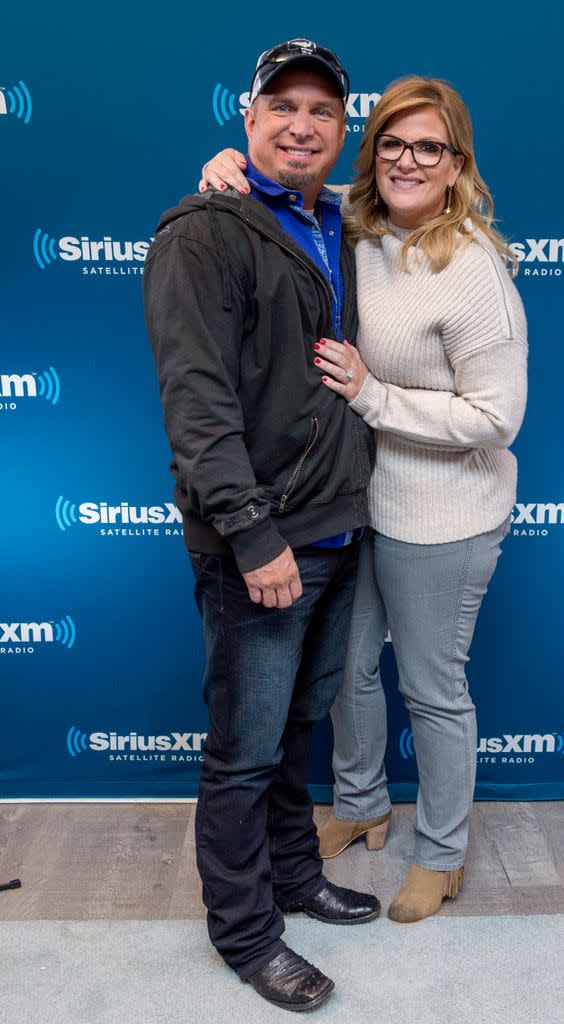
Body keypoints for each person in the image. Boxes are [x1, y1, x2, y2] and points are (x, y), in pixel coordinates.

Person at [199, 74, 528, 923]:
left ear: (456, 165)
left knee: (430, 685)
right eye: (391, 141)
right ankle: (361, 804)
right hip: (360, 500)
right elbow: (290, 180)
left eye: (430, 147)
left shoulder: (473, 270)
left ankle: (444, 852)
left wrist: (374, 396)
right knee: (345, 678)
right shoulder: (359, 218)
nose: (407, 161)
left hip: (445, 511)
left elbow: (497, 418)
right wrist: (229, 164)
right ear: (371, 149)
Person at [143, 39, 379, 1014]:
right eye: (280, 106)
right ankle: (245, 934)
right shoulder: (205, 230)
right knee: (243, 748)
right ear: (246, 122)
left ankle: (293, 877)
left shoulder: (341, 227)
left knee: (292, 731)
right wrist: (249, 532)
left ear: (341, 130)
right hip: (263, 543)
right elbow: (196, 399)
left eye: (320, 110)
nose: (300, 124)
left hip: (336, 530)